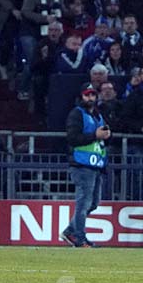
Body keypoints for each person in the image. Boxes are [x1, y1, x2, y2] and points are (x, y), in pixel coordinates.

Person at [61, 82, 110, 248]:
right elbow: (72, 138)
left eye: (92, 95)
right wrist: (95, 135)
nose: (90, 98)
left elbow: (100, 140)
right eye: (87, 95)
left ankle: (70, 231)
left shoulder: (97, 115)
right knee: (84, 204)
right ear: (81, 96)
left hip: (95, 164)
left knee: (93, 203)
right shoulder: (76, 113)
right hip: (81, 164)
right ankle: (80, 238)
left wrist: (107, 136)